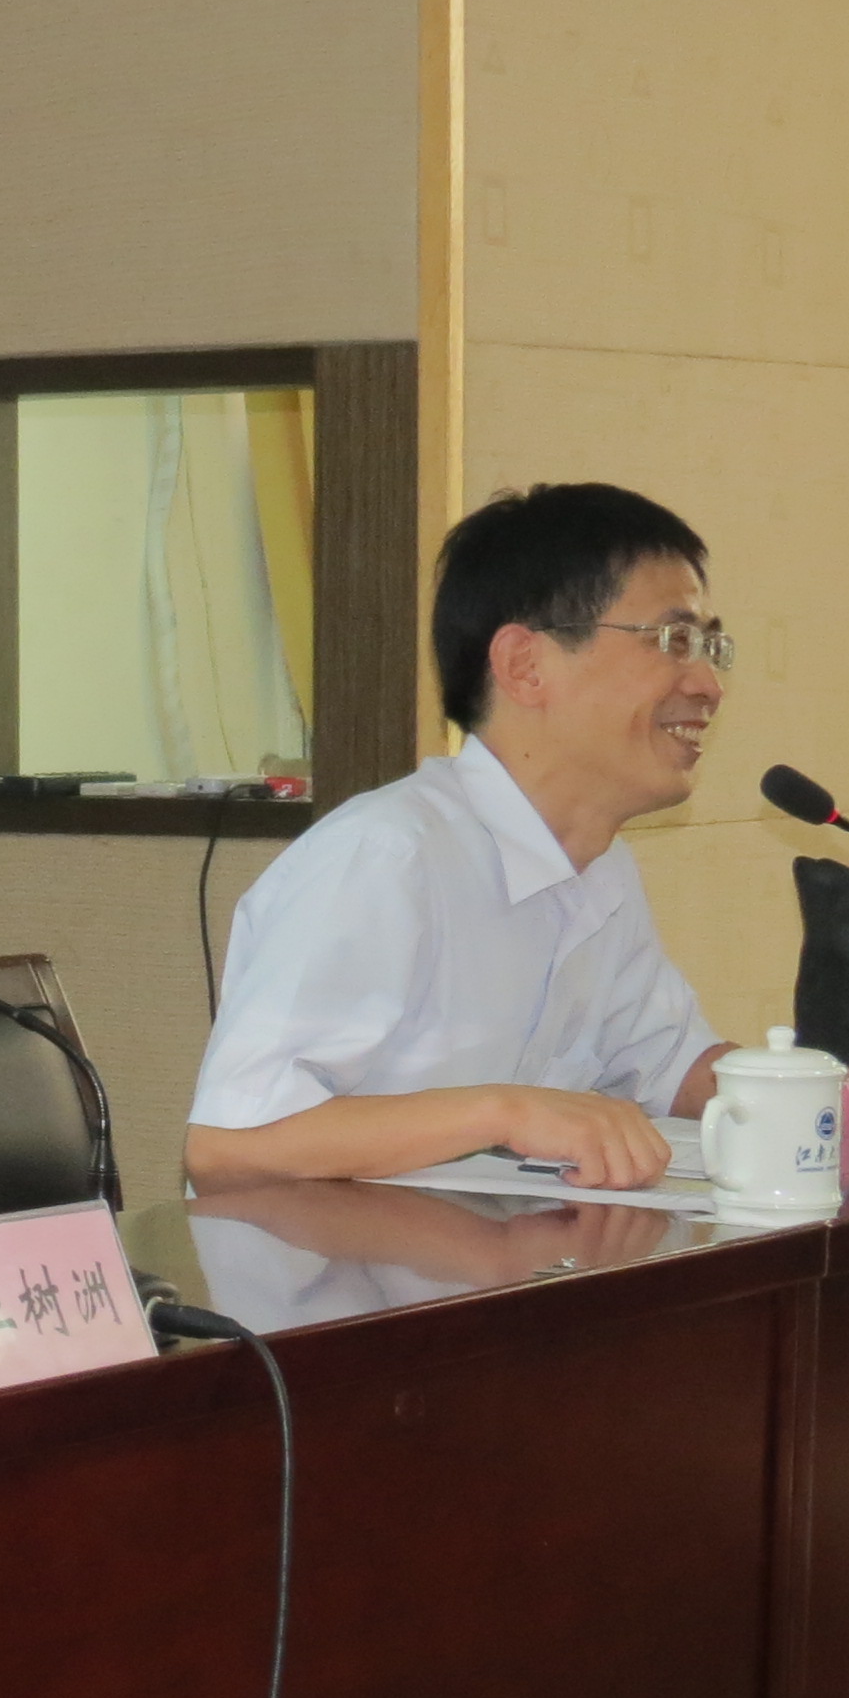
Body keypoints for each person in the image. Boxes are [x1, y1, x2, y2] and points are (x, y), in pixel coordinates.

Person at [187, 481, 770, 1191]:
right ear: (526, 666)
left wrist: (837, 1094)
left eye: (711, 646)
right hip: (344, 1262)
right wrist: (505, 1113)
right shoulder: (387, 858)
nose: (708, 684)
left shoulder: (601, 867)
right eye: (674, 641)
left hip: (500, 1253)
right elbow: (228, 1145)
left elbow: (671, 1066)